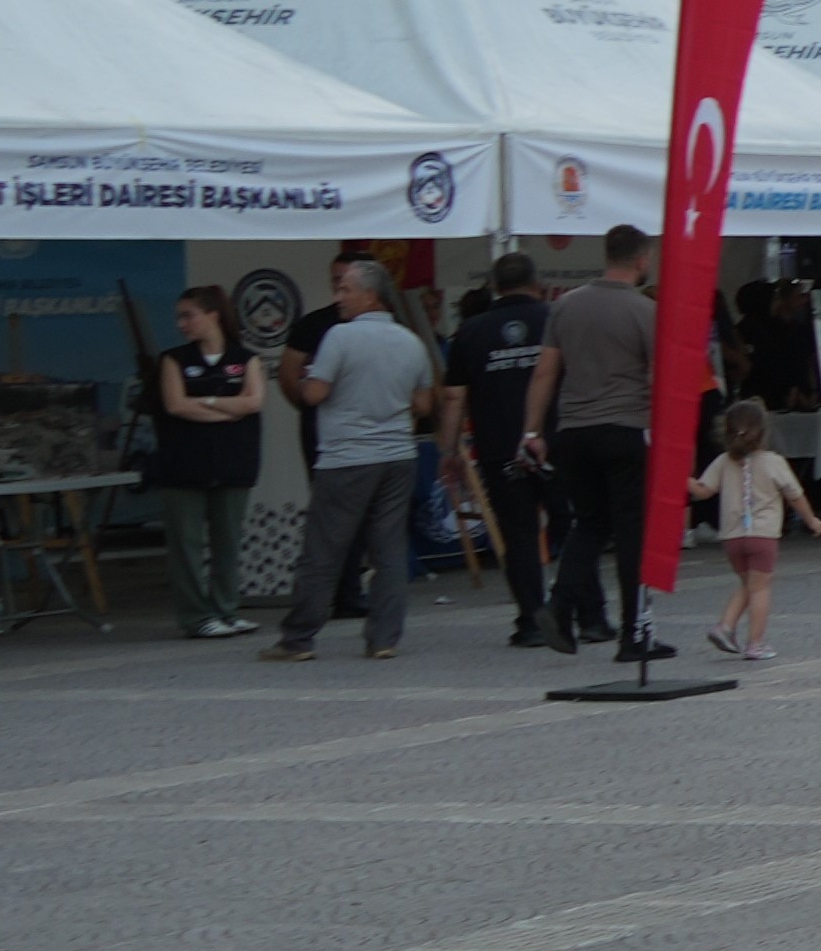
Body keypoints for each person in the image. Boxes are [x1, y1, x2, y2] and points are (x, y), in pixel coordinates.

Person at [263, 252, 441, 660]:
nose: (338, 297)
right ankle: (384, 638)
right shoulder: (411, 341)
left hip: (346, 456)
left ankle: (298, 638)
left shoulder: (339, 338)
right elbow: (423, 403)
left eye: (345, 289)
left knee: (323, 551)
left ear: (370, 296)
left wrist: (307, 380)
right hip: (397, 455)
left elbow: (315, 394)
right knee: (389, 550)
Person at [522, 227, 664, 651]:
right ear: (641, 260)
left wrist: (532, 431)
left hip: (574, 431)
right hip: (625, 428)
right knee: (631, 531)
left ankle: (560, 605)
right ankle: (634, 633)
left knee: (589, 523)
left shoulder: (565, 305)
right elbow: (658, 378)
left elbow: (545, 373)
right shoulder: (645, 311)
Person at [442, 255, 562, 644]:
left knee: (519, 534)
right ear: (536, 282)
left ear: (494, 286)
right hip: (555, 441)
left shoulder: (471, 330)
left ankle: (531, 620)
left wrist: (449, 451)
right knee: (577, 527)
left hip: (499, 447)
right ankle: (589, 615)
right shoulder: (554, 317)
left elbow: (454, 397)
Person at [137, 289, 268, 640]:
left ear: (213, 315)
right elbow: (177, 405)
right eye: (179, 317)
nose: (182, 324)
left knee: (228, 541)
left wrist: (206, 401)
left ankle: (226, 609)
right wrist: (226, 408)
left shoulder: (246, 358)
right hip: (184, 465)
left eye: (188, 315)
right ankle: (196, 616)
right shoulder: (173, 360)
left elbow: (253, 402)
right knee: (187, 544)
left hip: (234, 462)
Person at [692, 397, 812, 659]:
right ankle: (754, 643)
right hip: (763, 536)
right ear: (764, 431)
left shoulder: (723, 461)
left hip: (732, 538)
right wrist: (811, 520)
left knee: (748, 584)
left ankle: (726, 627)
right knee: (760, 588)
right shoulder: (773, 461)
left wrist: (680, 477)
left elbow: (703, 491)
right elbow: (795, 495)